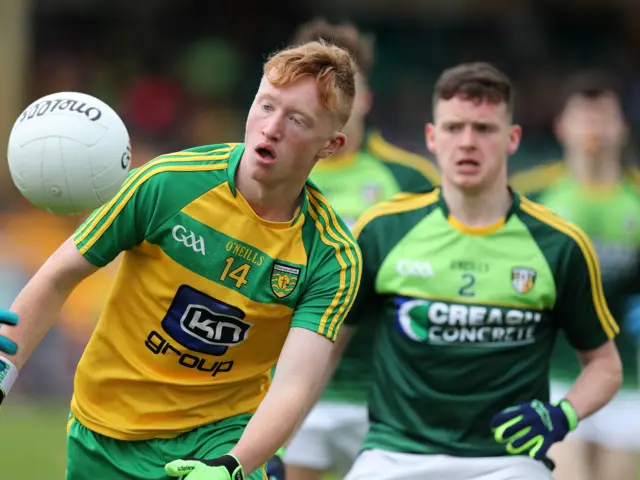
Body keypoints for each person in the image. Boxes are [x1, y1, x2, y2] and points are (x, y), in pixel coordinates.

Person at [0, 40, 362, 480]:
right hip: (105, 429)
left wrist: (233, 465)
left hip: (220, 438)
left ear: (331, 144)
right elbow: (58, 277)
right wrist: (6, 366)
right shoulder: (167, 182)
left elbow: (295, 386)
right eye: (266, 105)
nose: (272, 127)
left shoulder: (332, 256)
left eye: (298, 119)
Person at [333, 62, 622, 480]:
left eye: (484, 129)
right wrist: (277, 441)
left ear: (512, 139)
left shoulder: (560, 243)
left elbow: (605, 365)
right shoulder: (382, 230)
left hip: (509, 462)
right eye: (454, 128)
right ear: (432, 138)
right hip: (395, 456)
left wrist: (562, 415)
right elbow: (321, 347)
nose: (467, 142)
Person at [281, 19, 439, 480]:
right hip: (289, 384)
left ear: (365, 97)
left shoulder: (412, 182)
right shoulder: (271, 171)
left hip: (384, 394)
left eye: (348, 88)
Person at [510, 70, 640, 480]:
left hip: (629, 381)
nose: (594, 126)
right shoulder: (528, 197)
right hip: (552, 376)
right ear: (561, 127)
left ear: (622, 126)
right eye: (584, 115)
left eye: (603, 115)